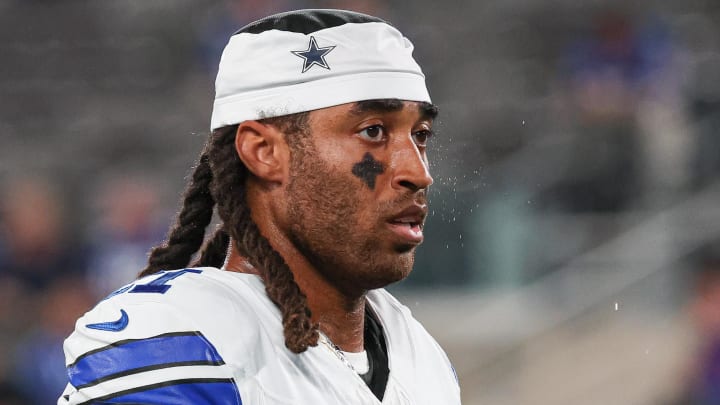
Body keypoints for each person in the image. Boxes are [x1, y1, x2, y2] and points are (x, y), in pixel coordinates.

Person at [58, 9, 461, 404]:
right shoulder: (179, 340)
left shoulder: (421, 356)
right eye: (373, 131)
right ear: (264, 152)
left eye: (420, 135)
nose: (418, 172)